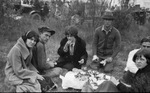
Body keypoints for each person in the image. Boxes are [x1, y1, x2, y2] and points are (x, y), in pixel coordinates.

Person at [31, 26, 62, 91]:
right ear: (40, 34)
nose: (47, 38)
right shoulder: (40, 45)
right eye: (46, 35)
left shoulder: (35, 42)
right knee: (59, 70)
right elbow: (41, 66)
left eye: (49, 36)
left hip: (33, 69)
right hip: (38, 72)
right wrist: (50, 65)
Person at [91, 9, 121, 73]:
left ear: (112, 21)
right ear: (103, 20)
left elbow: (118, 46)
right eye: (106, 20)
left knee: (107, 70)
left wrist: (112, 57)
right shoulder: (97, 30)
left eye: (109, 20)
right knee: (93, 68)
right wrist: (95, 55)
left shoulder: (116, 32)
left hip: (108, 56)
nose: (107, 22)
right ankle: (99, 64)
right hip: (98, 55)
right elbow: (94, 44)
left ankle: (106, 64)